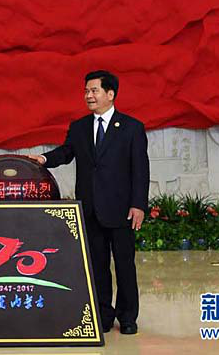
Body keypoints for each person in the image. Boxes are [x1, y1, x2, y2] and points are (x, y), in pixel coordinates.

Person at [30, 70, 149, 335]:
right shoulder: (80, 127)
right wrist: (44, 159)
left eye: (94, 90)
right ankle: (103, 315)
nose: (88, 96)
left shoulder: (131, 127)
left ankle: (127, 317)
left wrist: (138, 204)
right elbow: (66, 152)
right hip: (91, 209)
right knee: (97, 266)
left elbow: (140, 170)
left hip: (122, 209)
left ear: (110, 94)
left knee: (124, 265)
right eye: (86, 91)